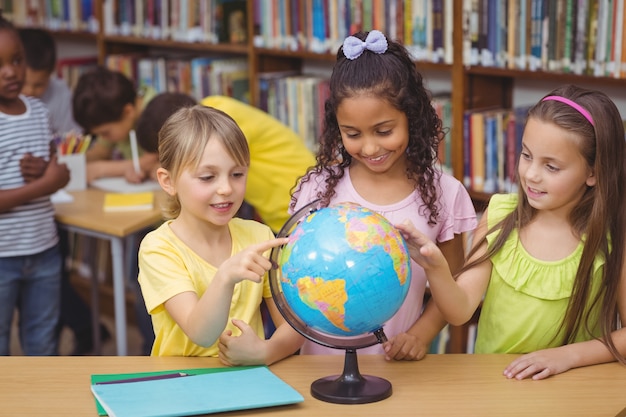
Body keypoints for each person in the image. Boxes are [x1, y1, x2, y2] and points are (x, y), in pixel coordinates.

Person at [397, 84, 626, 380]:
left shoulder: (612, 234)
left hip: (572, 390)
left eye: (552, 167)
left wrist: (567, 356)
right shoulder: (500, 215)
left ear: (593, 172)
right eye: (526, 155)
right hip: (495, 388)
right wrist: (436, 267)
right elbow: (459, 311)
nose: (531, 174)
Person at [289, 30, 477, 360]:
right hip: (316, 375)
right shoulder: (317, 189)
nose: (371, 147)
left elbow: (455, 283)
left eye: (384, 131)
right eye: (353, 134)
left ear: (413, 117)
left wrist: (421, 334)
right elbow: (288, 278)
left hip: (399, 375)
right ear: (337, 127)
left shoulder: (445, 194)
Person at [137, 105, 304, 364]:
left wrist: (265, 352)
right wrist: (225, 276)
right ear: (168, 181)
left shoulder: (260, 237)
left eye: (237, 174)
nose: (226, 188)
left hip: (249, 381)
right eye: (207, 177)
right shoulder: (158, 248)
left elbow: (293, 327)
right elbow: (201, 334)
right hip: (180, 384)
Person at [17, 26, 111, 356]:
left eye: (38, 84)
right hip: (22, 215)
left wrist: (54, 166)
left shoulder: (56, 97)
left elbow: (87, 147)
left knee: (52, 277)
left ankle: (83, 330)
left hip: (48, 210)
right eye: (24, 81)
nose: (30, 90)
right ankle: (87, 326)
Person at [135, 92, 316, 233]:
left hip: (298, 205)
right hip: (294, 200)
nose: (226, 188)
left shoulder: (218, 126)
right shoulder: (213, 109)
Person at [0, 14, 70, 355]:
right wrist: (42, 185)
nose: (11, 71)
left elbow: (59, 173)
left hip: (44, 249)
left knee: (43, 338)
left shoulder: (40, 111)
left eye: (17, 60)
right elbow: (47, 184)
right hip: (3, 254)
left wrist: (46, 170)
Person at [72, 66, 159, 184]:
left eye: (105, 133)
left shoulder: (156, 110)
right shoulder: (115, 112)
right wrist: (71, 161)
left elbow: (150, 161)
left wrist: (99, 169)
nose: (103, 137)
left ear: (128, 111)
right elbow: (101, 152)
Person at [18, 27, 81, 136]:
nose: (30, 91)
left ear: (52, 72)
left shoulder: (61, 93)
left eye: (39, 85)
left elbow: (71, 135)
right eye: (23, 83)